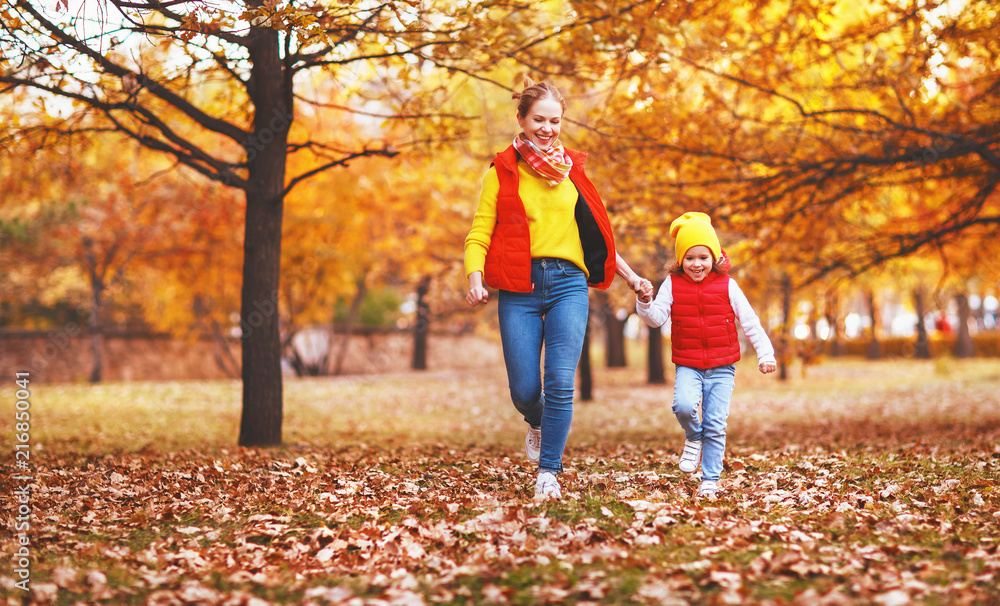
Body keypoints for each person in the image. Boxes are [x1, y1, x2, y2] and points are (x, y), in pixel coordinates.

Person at [464, 77, 652, 500]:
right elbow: (480, 231)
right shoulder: (502, 172)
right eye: (538, 120)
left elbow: (599, 236)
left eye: (555, 121)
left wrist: (633, 277)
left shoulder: (574, 172)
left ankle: (549, 470)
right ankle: (537, 421)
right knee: (526, 390)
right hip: (520, 285)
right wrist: (475, 276)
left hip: (569, 283)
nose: (547, 129)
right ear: (521, 119)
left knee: (561, 381)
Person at [634, 212, 776, 498]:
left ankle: (710, 479)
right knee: (684, 407)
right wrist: (644, 301)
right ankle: (693, 436)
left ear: (713, 257)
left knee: (715, 422)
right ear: (680, 261)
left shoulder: (728, 285)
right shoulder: (673, 284)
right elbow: (656, 318)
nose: (696, 264)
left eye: (703, 257)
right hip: (688, 364)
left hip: (722, 367)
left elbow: (749, 321)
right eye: (689, 258)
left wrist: (765, 354)